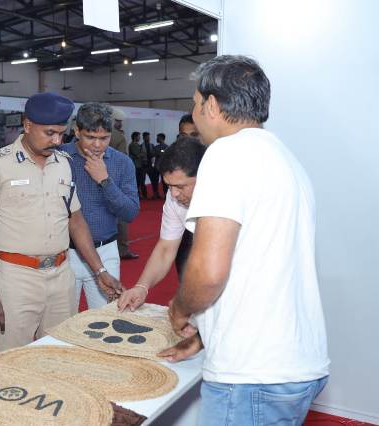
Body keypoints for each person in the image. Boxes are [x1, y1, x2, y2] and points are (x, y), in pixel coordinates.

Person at [164, 55, 329, 425]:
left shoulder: (227, 153)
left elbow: (208, 272)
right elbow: (260, 266)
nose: (194, 113)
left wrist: (179, 308)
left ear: (211, 104)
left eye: (194, 102)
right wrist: (207, 333)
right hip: (293, 362)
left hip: (253, 373)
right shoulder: (284, 158)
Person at [0, 92, 123, 351]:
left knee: (58, 353)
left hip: (61, 277)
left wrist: (99, 270)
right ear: (27, 125)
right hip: (17, 278)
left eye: (61, 134)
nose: (57, 140)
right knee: (14, 359)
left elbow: (76, 221)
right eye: (49, 133)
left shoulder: (63, 163)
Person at [60, 102, 139, 309]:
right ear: (77, 131)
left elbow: (130, 213)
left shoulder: (122, 163)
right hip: (65, 253)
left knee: (106, 319)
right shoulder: (59, 158)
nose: (97, 145)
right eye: (91, 137)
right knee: (63, 323)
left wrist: (104, 180)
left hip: (106, 251)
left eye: (104, 138)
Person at [117, 137, 205, 312]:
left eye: (180, 186)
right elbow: (166, 248)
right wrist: (141, 287)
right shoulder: (174, 198)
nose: (173, 194)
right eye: (169, 186)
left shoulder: (229, 201)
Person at [110, 108, 138, 260]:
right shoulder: (118, 137)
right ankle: (122, 249)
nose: (120, 124)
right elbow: (123, 160)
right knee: (121, 216)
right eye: (118, 121)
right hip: (115, 181)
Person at [128, 131, 148, 199]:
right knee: (137, 182)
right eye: (138, 136)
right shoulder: (133, 145)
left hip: (139, 165)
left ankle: (141, 195)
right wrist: (143, 152)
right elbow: (138, 155)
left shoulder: (137, 145)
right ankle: (138, 195)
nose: (139, 138)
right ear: (135, 137)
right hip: (136, 166)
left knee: (140, 181)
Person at [142, 131, 161, 199]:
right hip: (143, 166)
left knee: (154, 180)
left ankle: (156, 193)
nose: (148, 138)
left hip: (151, 165)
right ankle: (144, 195)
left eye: (149, 137)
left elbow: (155, 153)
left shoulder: (152, 145)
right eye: (147, 137)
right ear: (143, 137)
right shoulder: (141, 146)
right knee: (142, 181)